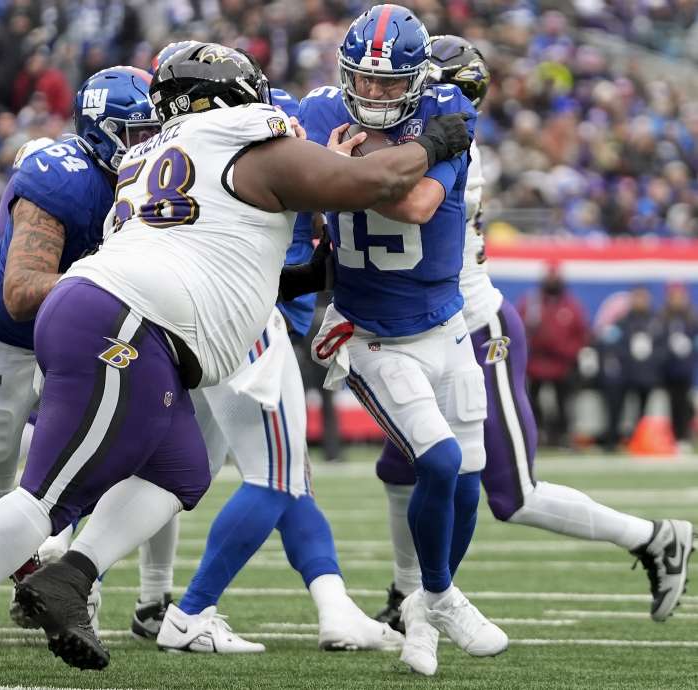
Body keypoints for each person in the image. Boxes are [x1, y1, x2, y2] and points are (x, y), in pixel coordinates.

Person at [0, 41, 472, 687]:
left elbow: (227, 264)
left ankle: (70, 577)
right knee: (46, 496)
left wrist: (312, 273)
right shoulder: (249, 144)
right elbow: (376, 183)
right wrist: (437, 142)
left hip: (131, 320)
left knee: (181, 469)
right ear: (230, 99)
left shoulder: (158, 154)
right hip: (122, 318)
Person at [370, 34, 692, 651]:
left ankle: (653, 537)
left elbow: (398, 201)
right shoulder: (418, 143)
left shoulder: (451, 154)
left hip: (474, 330)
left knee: (512, 494)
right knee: (399, 468)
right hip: (420, 331)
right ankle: (404, 596)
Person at [144, 57, 399, 654]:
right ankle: (174, 604)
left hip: (206, 315)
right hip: (245, 320)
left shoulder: (178, 146)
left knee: (250, 473)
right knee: (267, 476)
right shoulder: (264, 129)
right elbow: (331, 193)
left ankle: (334, 607)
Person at [296, 8, 504, 676]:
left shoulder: (448, 111)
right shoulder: (320, 109)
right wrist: (338, 172)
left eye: (389, 83)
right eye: (364, 79)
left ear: (418, 79)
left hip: (446, 321)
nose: (374, 92)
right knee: (438, 460)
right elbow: (308, 187)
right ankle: (438, 595)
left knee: (468, 480)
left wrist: (342, 170)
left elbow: (416, 206)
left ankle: (422, 608)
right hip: (371, 332)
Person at [0, 67, 159, 608]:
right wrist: (107, 283)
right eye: (139, 134)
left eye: (156, 132)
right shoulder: (63, 179)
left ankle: (55, 581)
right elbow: (21, 291)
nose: (151, 145)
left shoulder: (155, 182)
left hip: (69, 337)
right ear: (102, 132)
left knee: (94, 459)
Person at [518, 263, 589, 447]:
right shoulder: (531, 304)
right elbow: (518, 331)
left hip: (561, 365)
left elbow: (581, 335)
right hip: (535, 364)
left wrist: (565, 350)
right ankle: (537, 433)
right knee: (531, 400)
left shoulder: (572, 306)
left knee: (563, 401)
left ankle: (562, 434)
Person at [600, 286, 661, 449]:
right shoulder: (623, 321)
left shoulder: (655, 321)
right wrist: (629, 355)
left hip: (646, 374)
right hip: (625, 373)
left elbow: (662, 346)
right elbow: (613, 345)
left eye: (643, 297)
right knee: (617, 406)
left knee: (642, 411)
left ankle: (640, 439)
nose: (640, 301)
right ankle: (613, 439)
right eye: (637, 297)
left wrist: (650, 358)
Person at [658, 283, 698, 448]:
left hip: (686, 368)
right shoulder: (663, 318)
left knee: (685, 403)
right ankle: (674, 435)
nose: (677, 300)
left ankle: (684, 435)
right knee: (672, 403)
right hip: (668, 368)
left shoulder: (691, 318)